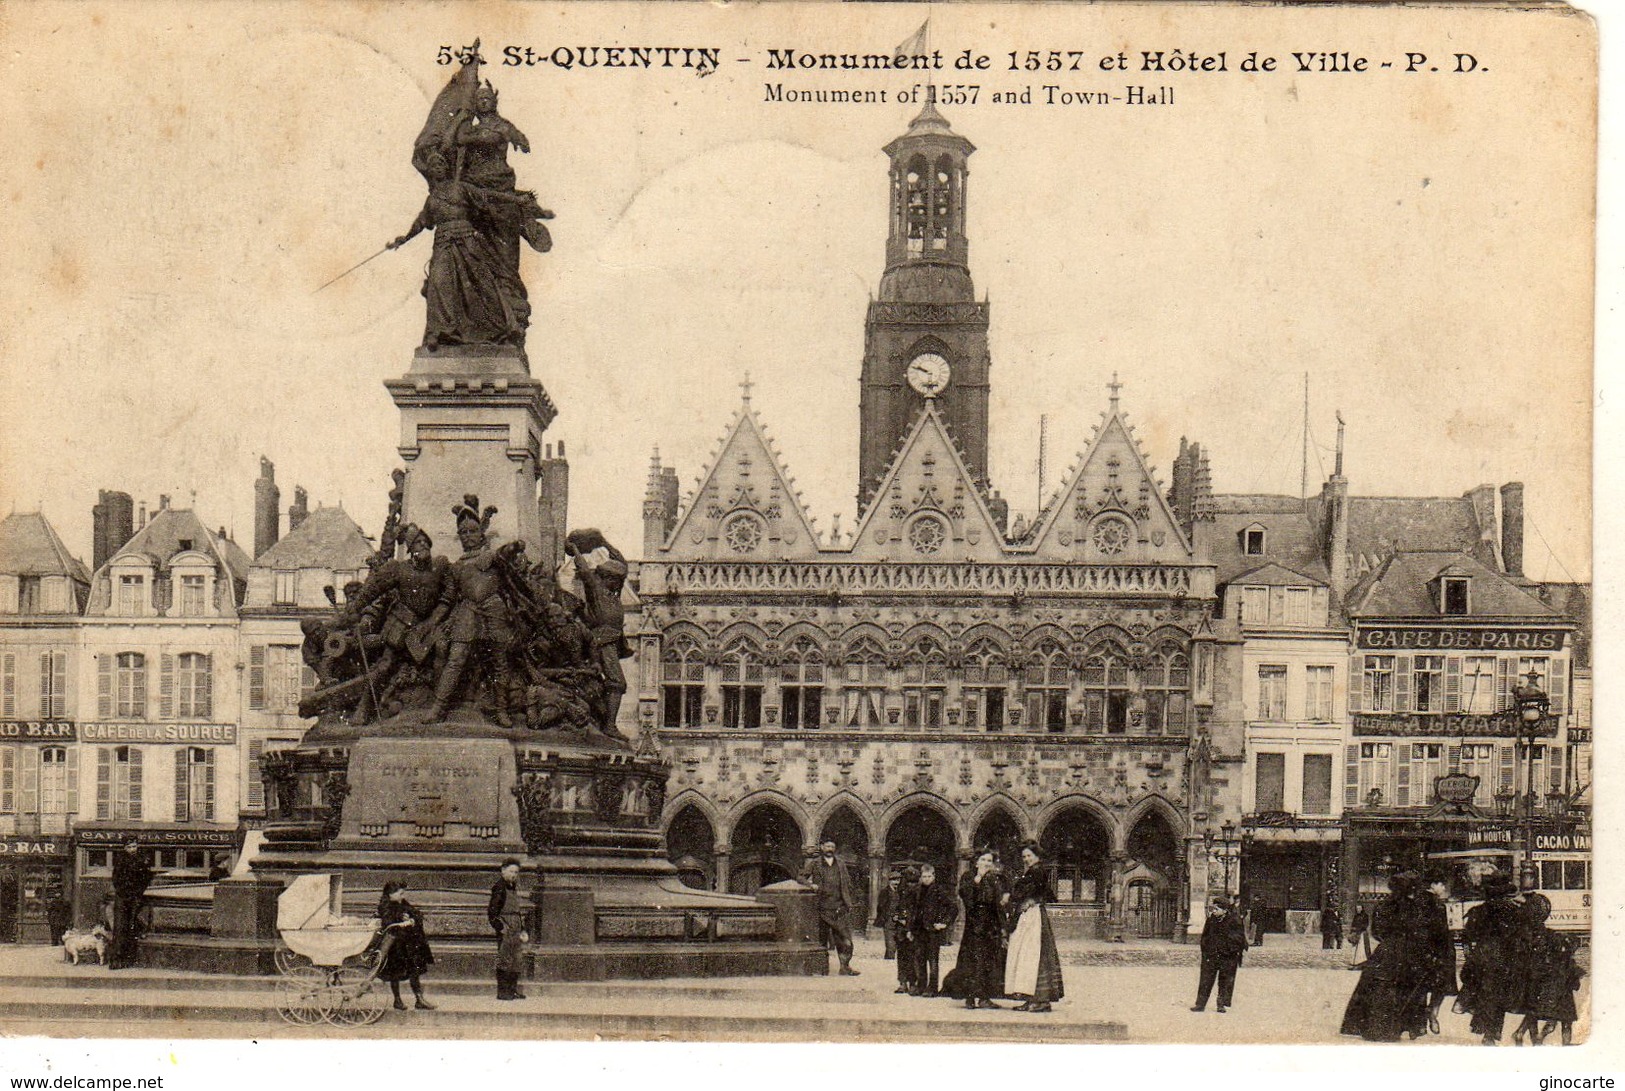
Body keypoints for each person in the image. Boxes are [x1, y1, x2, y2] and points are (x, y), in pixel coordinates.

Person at [1339, 871, 1431, 1041]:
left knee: (1376, 986)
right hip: (1408, 950)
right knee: (1405, 988)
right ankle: (1401, 1027)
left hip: (1386, 950)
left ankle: (1370, 1026)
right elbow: (1421, 931)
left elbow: (1376, 932)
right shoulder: (1415, 908)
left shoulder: (1383, 906)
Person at [1459, 872, 1529, 1045]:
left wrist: (1470, 958)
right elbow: (1523, 937)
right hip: (1505, 957)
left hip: (1482, 956)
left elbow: (1466, 938)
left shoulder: (1479, 910)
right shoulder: (1514, 911)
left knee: (1484, 994)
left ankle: (1485, 1029)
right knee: (1500, 996)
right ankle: (1491, 1033)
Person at [1003, 842, 1063, 1013]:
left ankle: (1040, 1000)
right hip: (1029, 914)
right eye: (1024, 857)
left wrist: (1013, 896)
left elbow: (1028, 892)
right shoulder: (1032, 871)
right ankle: (1033, 999)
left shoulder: (1037, 871)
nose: (1026, 859)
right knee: (1029, 956)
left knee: (1033, 955)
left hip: (1033, 916)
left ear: (1037, 856)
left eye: (1029, 856)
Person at [1514, 898, 1582, 1046]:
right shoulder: (1547, 935)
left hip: (1531, 976)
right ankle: (1537, 1039)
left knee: (1533, 1010)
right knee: (1557, 1015)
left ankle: (1528, 1037)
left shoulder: (1523, 933)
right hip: (1544, 978)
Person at [949, 849, 1008, 1010]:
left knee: (988, 962)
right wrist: (978, 879)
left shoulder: (995, 880)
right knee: (972, 961)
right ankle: (969, 998)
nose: (987, 863)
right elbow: (966, 898)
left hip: (991, 926)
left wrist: (1003, 927)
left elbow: (998, 905)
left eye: (989, 861)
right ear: (976, 862)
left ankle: (984, 997)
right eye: (983, 860)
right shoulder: (968, 877)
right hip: (975, 926)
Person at [801, 839, 859, 976]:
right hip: (821, 907)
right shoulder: (815, 863)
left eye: (832, 846)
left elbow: (848, 883)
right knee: (821, 939)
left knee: (845, 939)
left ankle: (845, 967)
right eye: (827, 846)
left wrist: (848, 901)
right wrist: (810, 885)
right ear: (821, 847)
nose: (830, 849)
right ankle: (820, 969)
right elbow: (801, 877)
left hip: (839, 907)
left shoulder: (841, 863)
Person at [375, 881, 436, 1011]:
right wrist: (401, 919)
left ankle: (419, 999)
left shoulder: (402, 903)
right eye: (400, 893)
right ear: (391, 894)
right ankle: (397, 1000)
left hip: (408, 945)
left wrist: (412, 919)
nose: (403, 896)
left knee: (414, 971)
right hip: (394, 945)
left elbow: (417, 913)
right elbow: (387, 922)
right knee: (394, 974)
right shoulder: (385, 906)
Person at [1191, 896, 1249, 1013]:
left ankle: (1221, 1004)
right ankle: (1200, 1004)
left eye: (1216, 909)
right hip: (1211, 955)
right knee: (1205, 979)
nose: (1214, 911)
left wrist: (1228, 948)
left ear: (1224, 910)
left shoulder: (1234, 920)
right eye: (1213, 908)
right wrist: (1206, 949)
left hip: (1227, 956)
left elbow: (1239, 938)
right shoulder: (1211, 919)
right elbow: (1205, 935)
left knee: (1225, 980)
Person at [912, 863, 958, 997]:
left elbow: (953, 908)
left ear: (933, 876)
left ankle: (932, 988)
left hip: (933, 931)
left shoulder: (940, 890)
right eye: (924, 876)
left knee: (932, 960)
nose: (926, 879)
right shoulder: (918, 890)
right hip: (919, 930)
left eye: (928, 876)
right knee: (919, 958)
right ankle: (921, 986)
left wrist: (944, 923)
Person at [488, 858, 530, 1000]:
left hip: (516, 929)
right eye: (511, 871)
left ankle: (512, 990)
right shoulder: (499, 887)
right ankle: (503, 992)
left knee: (516, 960)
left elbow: (517, 911)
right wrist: (501, 928)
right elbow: (492, 913)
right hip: (506, 929)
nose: (513, 875)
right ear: (503, 871)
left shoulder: (512, 886)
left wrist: (522, 929)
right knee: (505, 960)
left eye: (516, 872)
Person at [1421, 876, 1458, 1035]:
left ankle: (1421, 1022)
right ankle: (1432, 1013)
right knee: (1441, 985)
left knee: (1421, 986)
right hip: (1438, 951)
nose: (1443, 888)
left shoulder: (1417, 902)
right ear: (1433, 884)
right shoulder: (1437, 905)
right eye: (1442, 884)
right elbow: (1441, 932)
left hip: (1422, 950)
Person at [108, 838, 153, 970]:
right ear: (125, 848)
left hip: (135, 896)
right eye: (130, 847)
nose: (133, 849)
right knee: (120, 927)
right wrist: (124, 892)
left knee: (131, 928)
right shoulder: (120, 860)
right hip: (123, 897)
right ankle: (116, 960)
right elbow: (116, 879)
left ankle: (128, 959)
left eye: (135, 846)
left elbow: (146, 877)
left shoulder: (141, 860)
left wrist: (139, 891)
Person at [892, 866, 920, 994]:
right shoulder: (899, 893)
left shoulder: (919, 894)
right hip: (901, 929)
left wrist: (909, 924)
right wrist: (896, 917)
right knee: (902, 955)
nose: (911, 885)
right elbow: (894, 908)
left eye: (913, 882)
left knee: (913, 956)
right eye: (908, 881)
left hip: (914, 929)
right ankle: (903, 982)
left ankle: (913, 983)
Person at [875, 872, 900, 961]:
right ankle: (889, 961)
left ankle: (887, 961)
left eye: (898, 880)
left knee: (895, 945)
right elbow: (881, 907)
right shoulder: (884, 892)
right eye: (894, 880)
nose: (896, 882)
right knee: (890, 945)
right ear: (889, 881)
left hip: (899, 922)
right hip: (888, 921)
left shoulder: (901, 892)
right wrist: (889, 916)